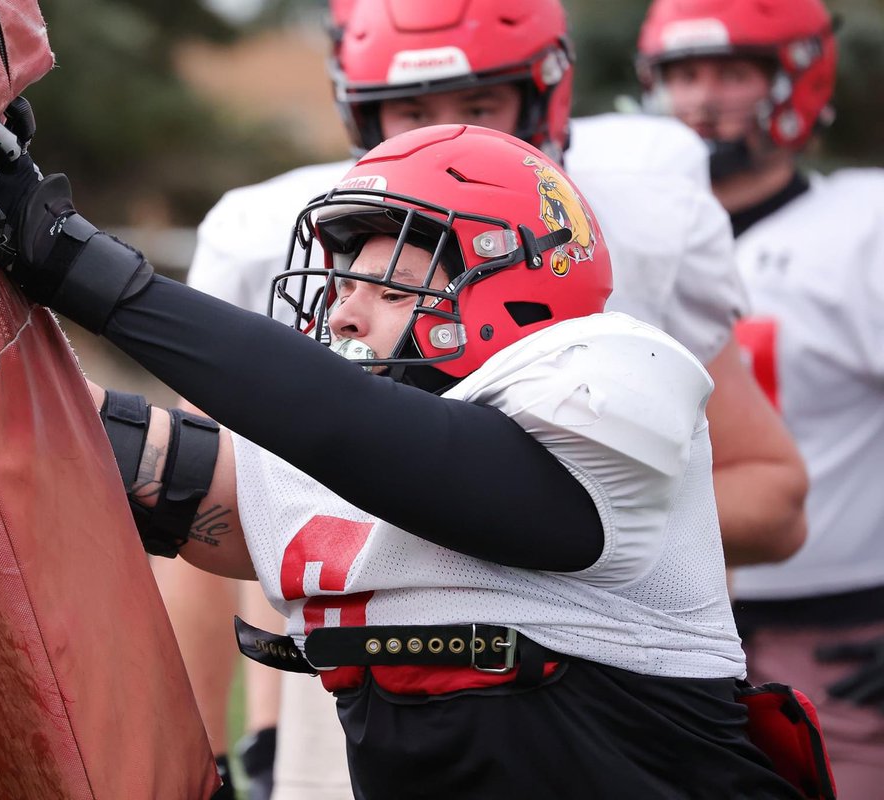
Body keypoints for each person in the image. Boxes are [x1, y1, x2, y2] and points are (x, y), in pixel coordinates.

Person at [0, 113, 811, 798]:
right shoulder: (374, 450)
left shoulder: (619, 372)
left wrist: (92, 274)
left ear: (509, 283)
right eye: (340, 286)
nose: (344, 316)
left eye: (384, 284)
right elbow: (155, 461)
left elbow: (392, 446)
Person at [182, 2, 811, 796]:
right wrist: (226, 741)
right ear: (359, 110)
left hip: (593, 702)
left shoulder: (635, 221)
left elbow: (775, 494)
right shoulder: (269, 232)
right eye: (413, 110)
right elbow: (218, 507)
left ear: (543, 95)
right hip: (353, 691)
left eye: (479, 105)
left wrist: (547, 522)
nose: (449, 134)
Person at [638, 0, 884, 795]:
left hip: (839, 633)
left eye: (734, 72)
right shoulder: (625, 235)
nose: (704, 98)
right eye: (684, 74)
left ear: (797, 79)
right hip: (657, 632)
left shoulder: (861, 228)